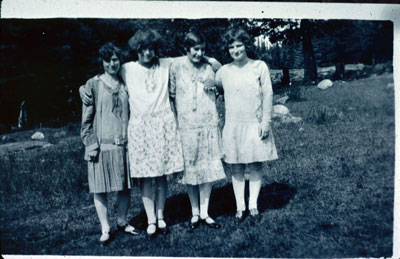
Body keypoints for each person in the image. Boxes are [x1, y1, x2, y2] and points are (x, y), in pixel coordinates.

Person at [215, 28, 278, 222]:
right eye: (231, 47)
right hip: (233, 124)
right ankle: (240, 207)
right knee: (236, 167)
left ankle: (253, 205)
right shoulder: (223, 71)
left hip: (254, 123)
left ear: (246, 45)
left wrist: (266, 121)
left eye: (239, 45)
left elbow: (268, 94)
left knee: (255, 164)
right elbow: (217, 86)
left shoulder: (259, 66)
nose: (236, 50)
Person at [79, 42, 139, 246]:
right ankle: (105, 228)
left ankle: (122, 221)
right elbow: (86, 121)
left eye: (115, 60)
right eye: (108, 60)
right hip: (101, 146)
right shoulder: (92, 85)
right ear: (102, 62)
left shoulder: (125, 84)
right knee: (100, 188)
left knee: (124, 187)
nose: (112, 64)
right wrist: (90, 144)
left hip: (123, 145)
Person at [169, 31, 226, 231]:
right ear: (187, 49)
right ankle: (194, 212)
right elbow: (171, 93)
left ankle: (205, 212)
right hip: (186, 126)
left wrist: (217, 84)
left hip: (208, 123)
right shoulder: (176, 66)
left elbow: (225, 82)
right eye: (195, 49)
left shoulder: (211, 66)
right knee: (191, 170)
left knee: (207, 169)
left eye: (202, 49)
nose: (198, 53)